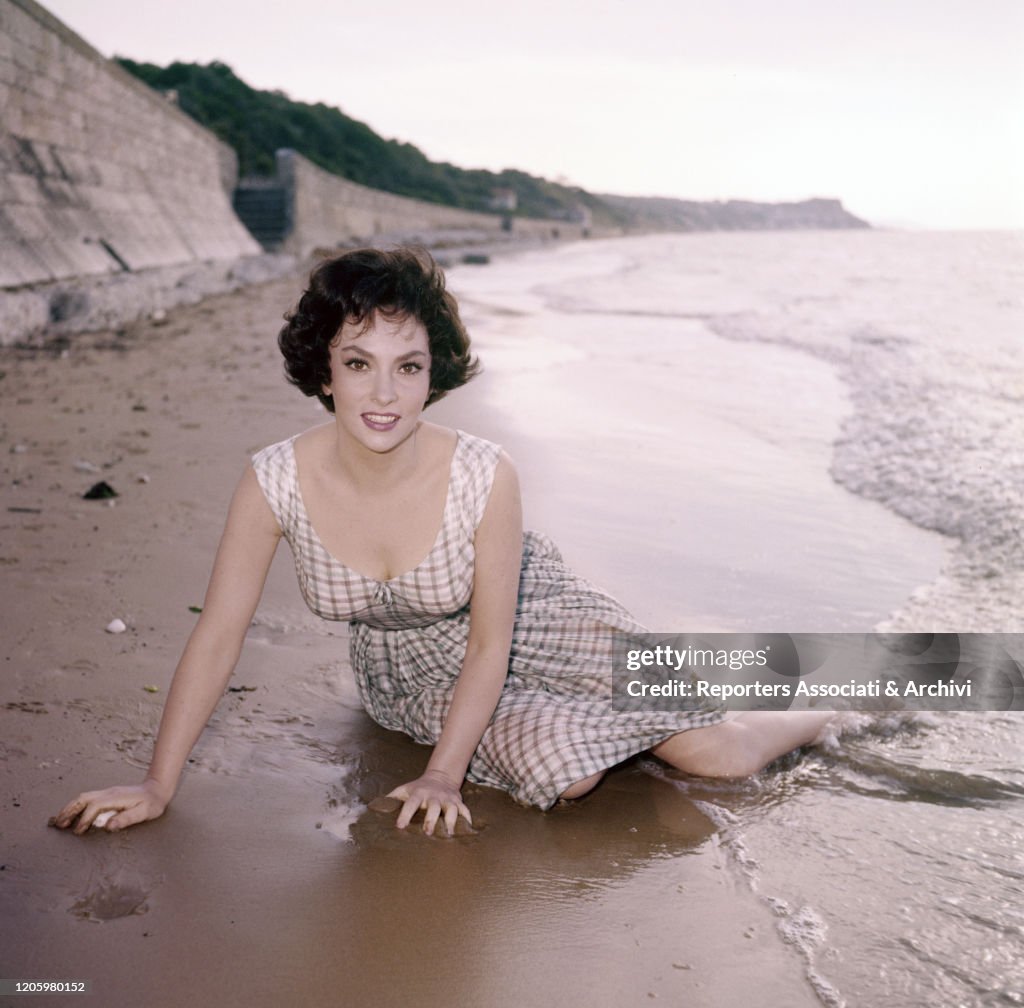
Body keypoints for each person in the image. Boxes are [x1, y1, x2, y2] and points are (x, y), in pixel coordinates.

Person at [53, 247, 831, 839]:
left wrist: (442, 775)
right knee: (569, 777)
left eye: (408, 367)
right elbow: (218, 633)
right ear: (325, 372)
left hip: (532, 616)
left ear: (434, 375)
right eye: (359, 364)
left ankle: (826, 709)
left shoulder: (484, 474)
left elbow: (493, 643)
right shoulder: (274, 481)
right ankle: (655, 724)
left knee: (713, 749)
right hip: (410, 670)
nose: (384, 394)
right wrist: (157, 786)